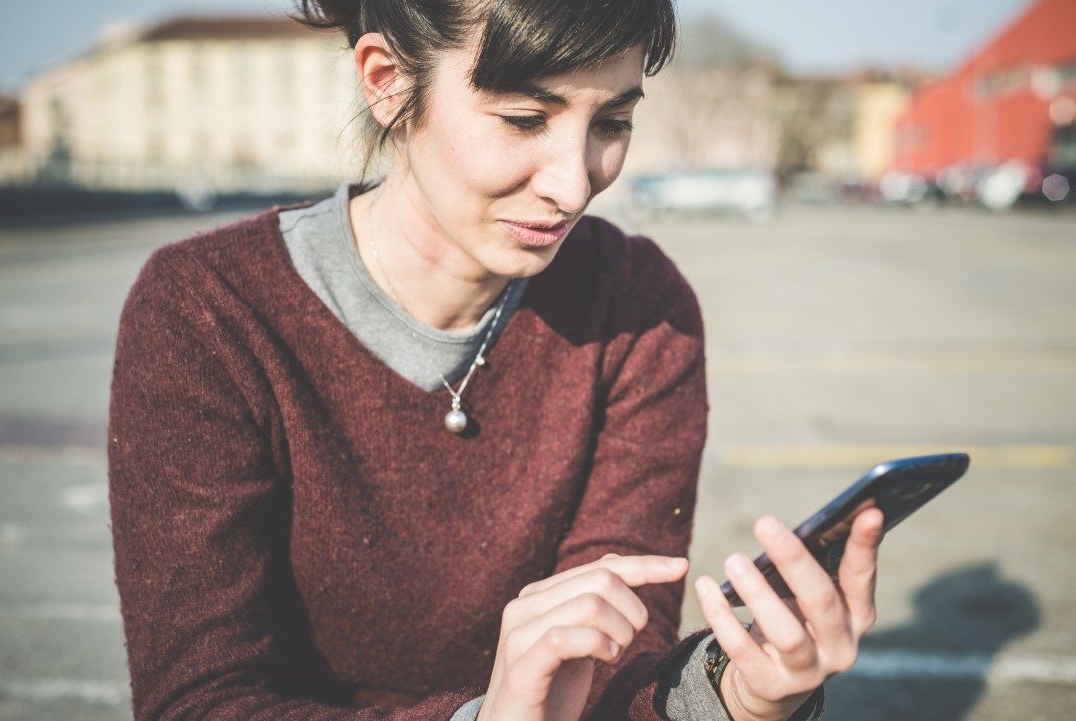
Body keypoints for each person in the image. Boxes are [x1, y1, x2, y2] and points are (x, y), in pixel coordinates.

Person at [106, 1, 885, 720]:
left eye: (612, 122)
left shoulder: (638, 306)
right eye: (524, 119)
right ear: (386, 82)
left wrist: (735, 696)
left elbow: (617, 665)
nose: (573, 184)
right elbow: (197, 700)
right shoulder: (209, 309)